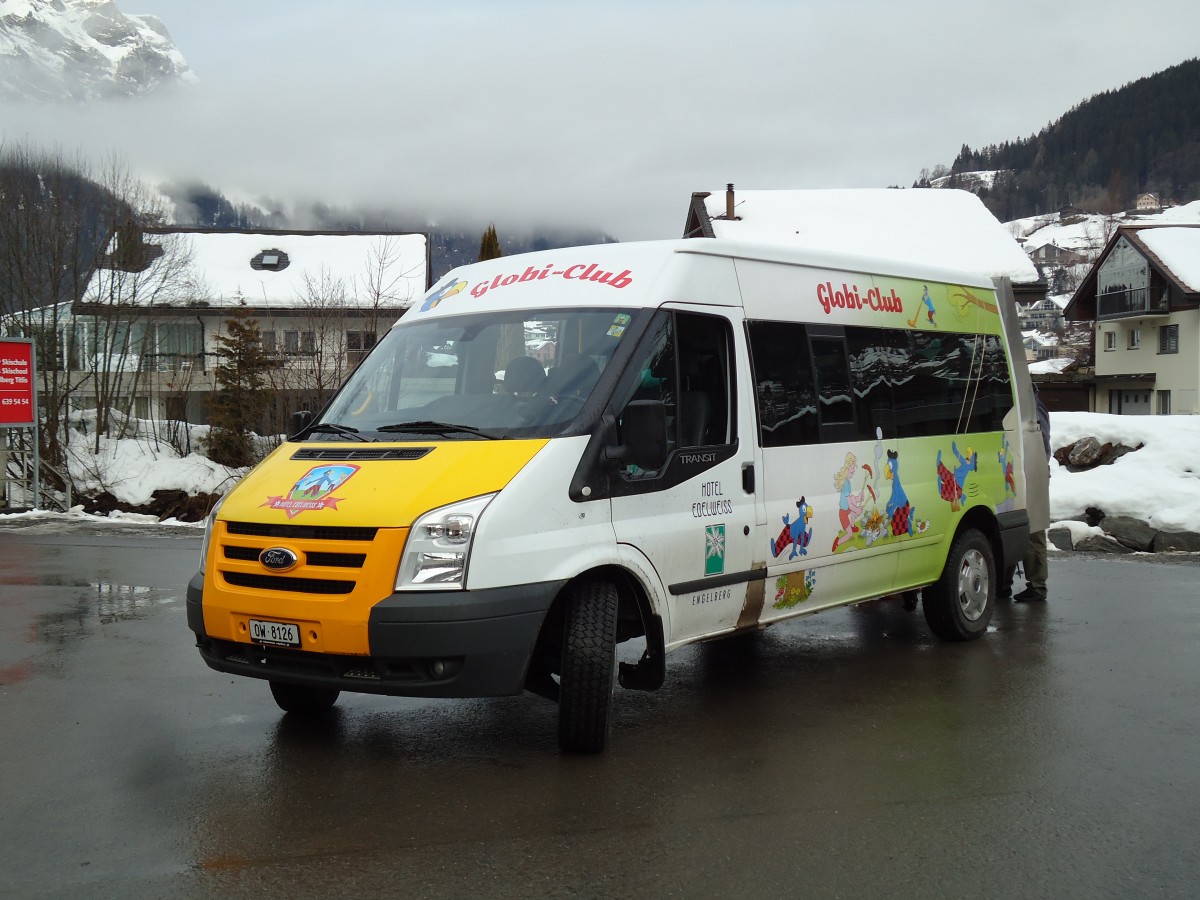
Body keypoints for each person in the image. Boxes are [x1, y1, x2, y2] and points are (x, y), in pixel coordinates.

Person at [1014, 389, 1052, 602]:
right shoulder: (1029, 406)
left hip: (1031, 472)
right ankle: (1004, 584)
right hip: (1022, 471)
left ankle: (1037, 586)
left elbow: (1040, 443)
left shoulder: (1033, 410)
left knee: (1033, 530)